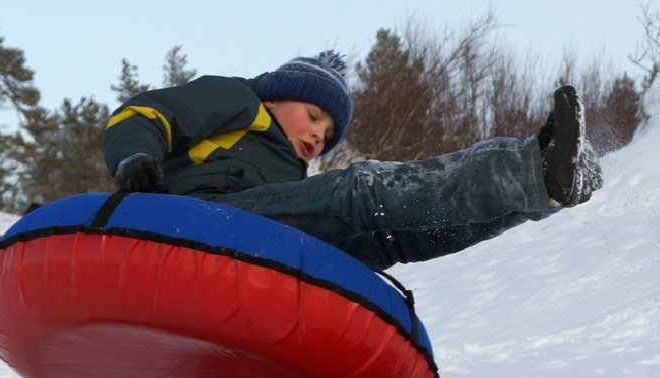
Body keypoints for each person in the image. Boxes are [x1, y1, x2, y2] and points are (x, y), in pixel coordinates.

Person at [102, 50, 601, 273]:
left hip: (258, 239)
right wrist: (136, 159)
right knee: (361, 193)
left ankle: (541, 190)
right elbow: (149, 113)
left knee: (390, 235)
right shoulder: (242, 101)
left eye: (329, 132)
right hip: (194, 218)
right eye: (313, 116)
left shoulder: (290, 172)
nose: (319, 134)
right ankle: (529, 170)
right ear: (276, 99)